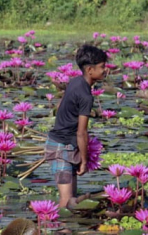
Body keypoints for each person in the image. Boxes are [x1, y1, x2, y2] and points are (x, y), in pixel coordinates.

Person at [45, 45, 108, 209]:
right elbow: (81, 133)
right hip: (62, 149)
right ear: (89, 70)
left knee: (71, 201)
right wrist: (85, 161)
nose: (105, 70)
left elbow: (60, 106)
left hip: (66, 146)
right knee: (66, 202)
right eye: (102, 67)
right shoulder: (86, 96)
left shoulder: (75, 82)